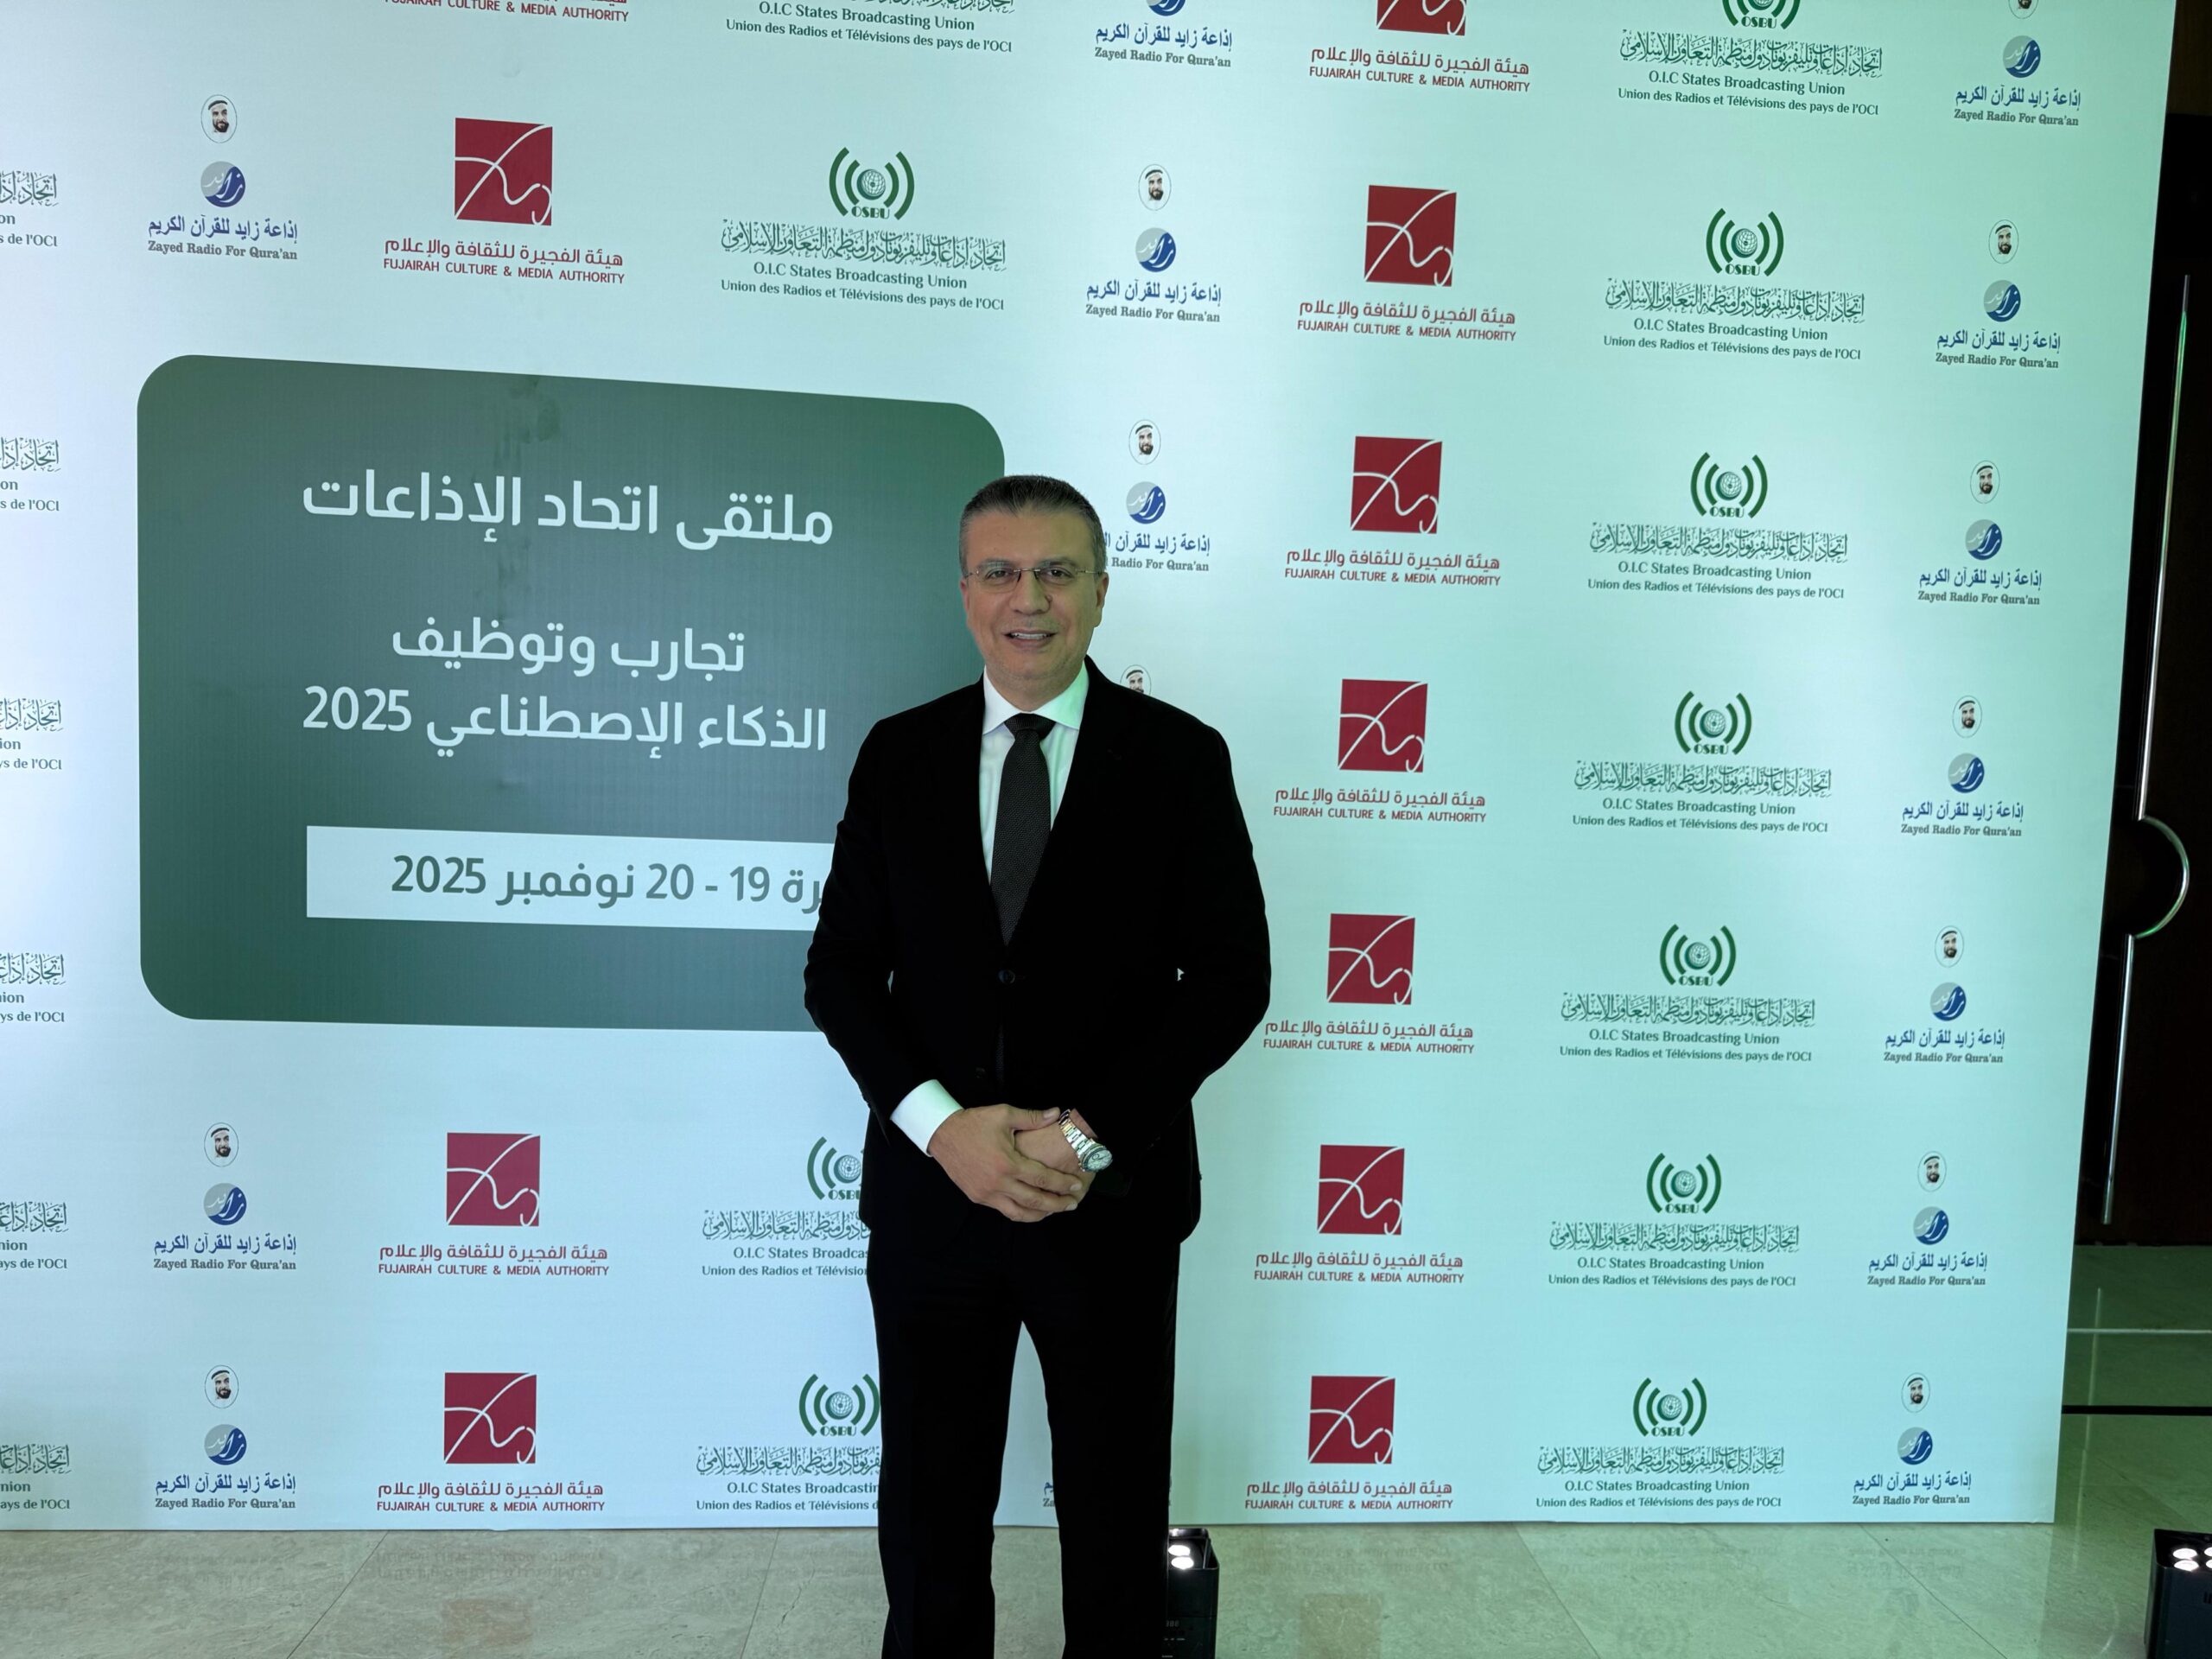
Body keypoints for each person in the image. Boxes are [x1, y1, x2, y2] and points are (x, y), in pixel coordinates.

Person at [805, 474, 1269, 1659]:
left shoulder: (1180, 759)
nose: (1030, 599)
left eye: (1058, 572)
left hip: (1107, 1204)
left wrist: (1088, 1134)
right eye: (1002, 573)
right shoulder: (899, 755)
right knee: (931, 1516)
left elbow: (1231, 980)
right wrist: (941, 1127)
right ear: (964, 592)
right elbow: (840, 972)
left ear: (1100, 593)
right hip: (935, 1200)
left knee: (1114, 1517)